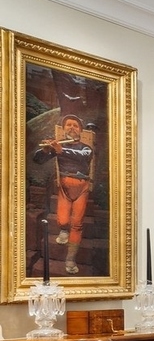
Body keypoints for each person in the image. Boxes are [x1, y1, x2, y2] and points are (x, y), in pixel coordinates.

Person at [33, 113, 95, 274]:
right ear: (63, 128)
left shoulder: (85, 148)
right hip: (65, 188)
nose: (72, 128)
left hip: (82, 188)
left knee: (77, 224)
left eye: (75, 125)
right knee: (62, 220)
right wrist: (45, 151)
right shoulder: (57, 147)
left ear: (80, 130)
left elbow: (83, 157)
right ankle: (63, 229)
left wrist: (61, 150)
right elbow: (37, 160)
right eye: (69, 125)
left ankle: (70, 259)